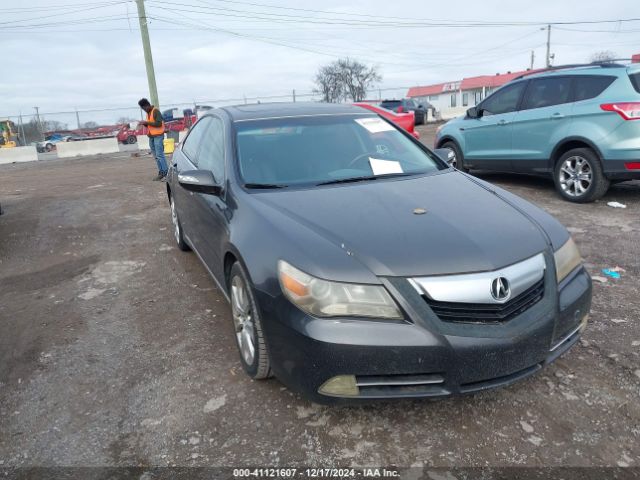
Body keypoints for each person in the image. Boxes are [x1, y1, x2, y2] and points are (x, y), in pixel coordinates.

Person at [138, 98, 167, 181]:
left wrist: (147, 123)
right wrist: (145, 124)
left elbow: (158, 123)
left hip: (158, 136)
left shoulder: (155, 111)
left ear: (147, 105)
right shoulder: (148, 113)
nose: (144, 110)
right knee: (156, 156)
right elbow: (151, 125)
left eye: (144, 108)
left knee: (160, 155)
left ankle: (166, 174)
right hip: (151, 137)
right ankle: (161, 173)